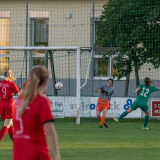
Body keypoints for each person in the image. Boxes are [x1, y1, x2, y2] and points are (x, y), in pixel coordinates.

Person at [13, 65, 60, 160]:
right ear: (46, 82)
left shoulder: (19, 100)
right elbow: (50, 131)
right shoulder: (41, 101)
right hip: (36, 152)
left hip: (18, 153)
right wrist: (57, 156)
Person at [0, 69, 19, 142]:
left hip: (2, 104)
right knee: (7, 124)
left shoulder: (0, 83)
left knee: (10, 124)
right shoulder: (12, 84)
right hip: (9, 105)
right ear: (11, 75)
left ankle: (15, 142)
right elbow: (18, 94)